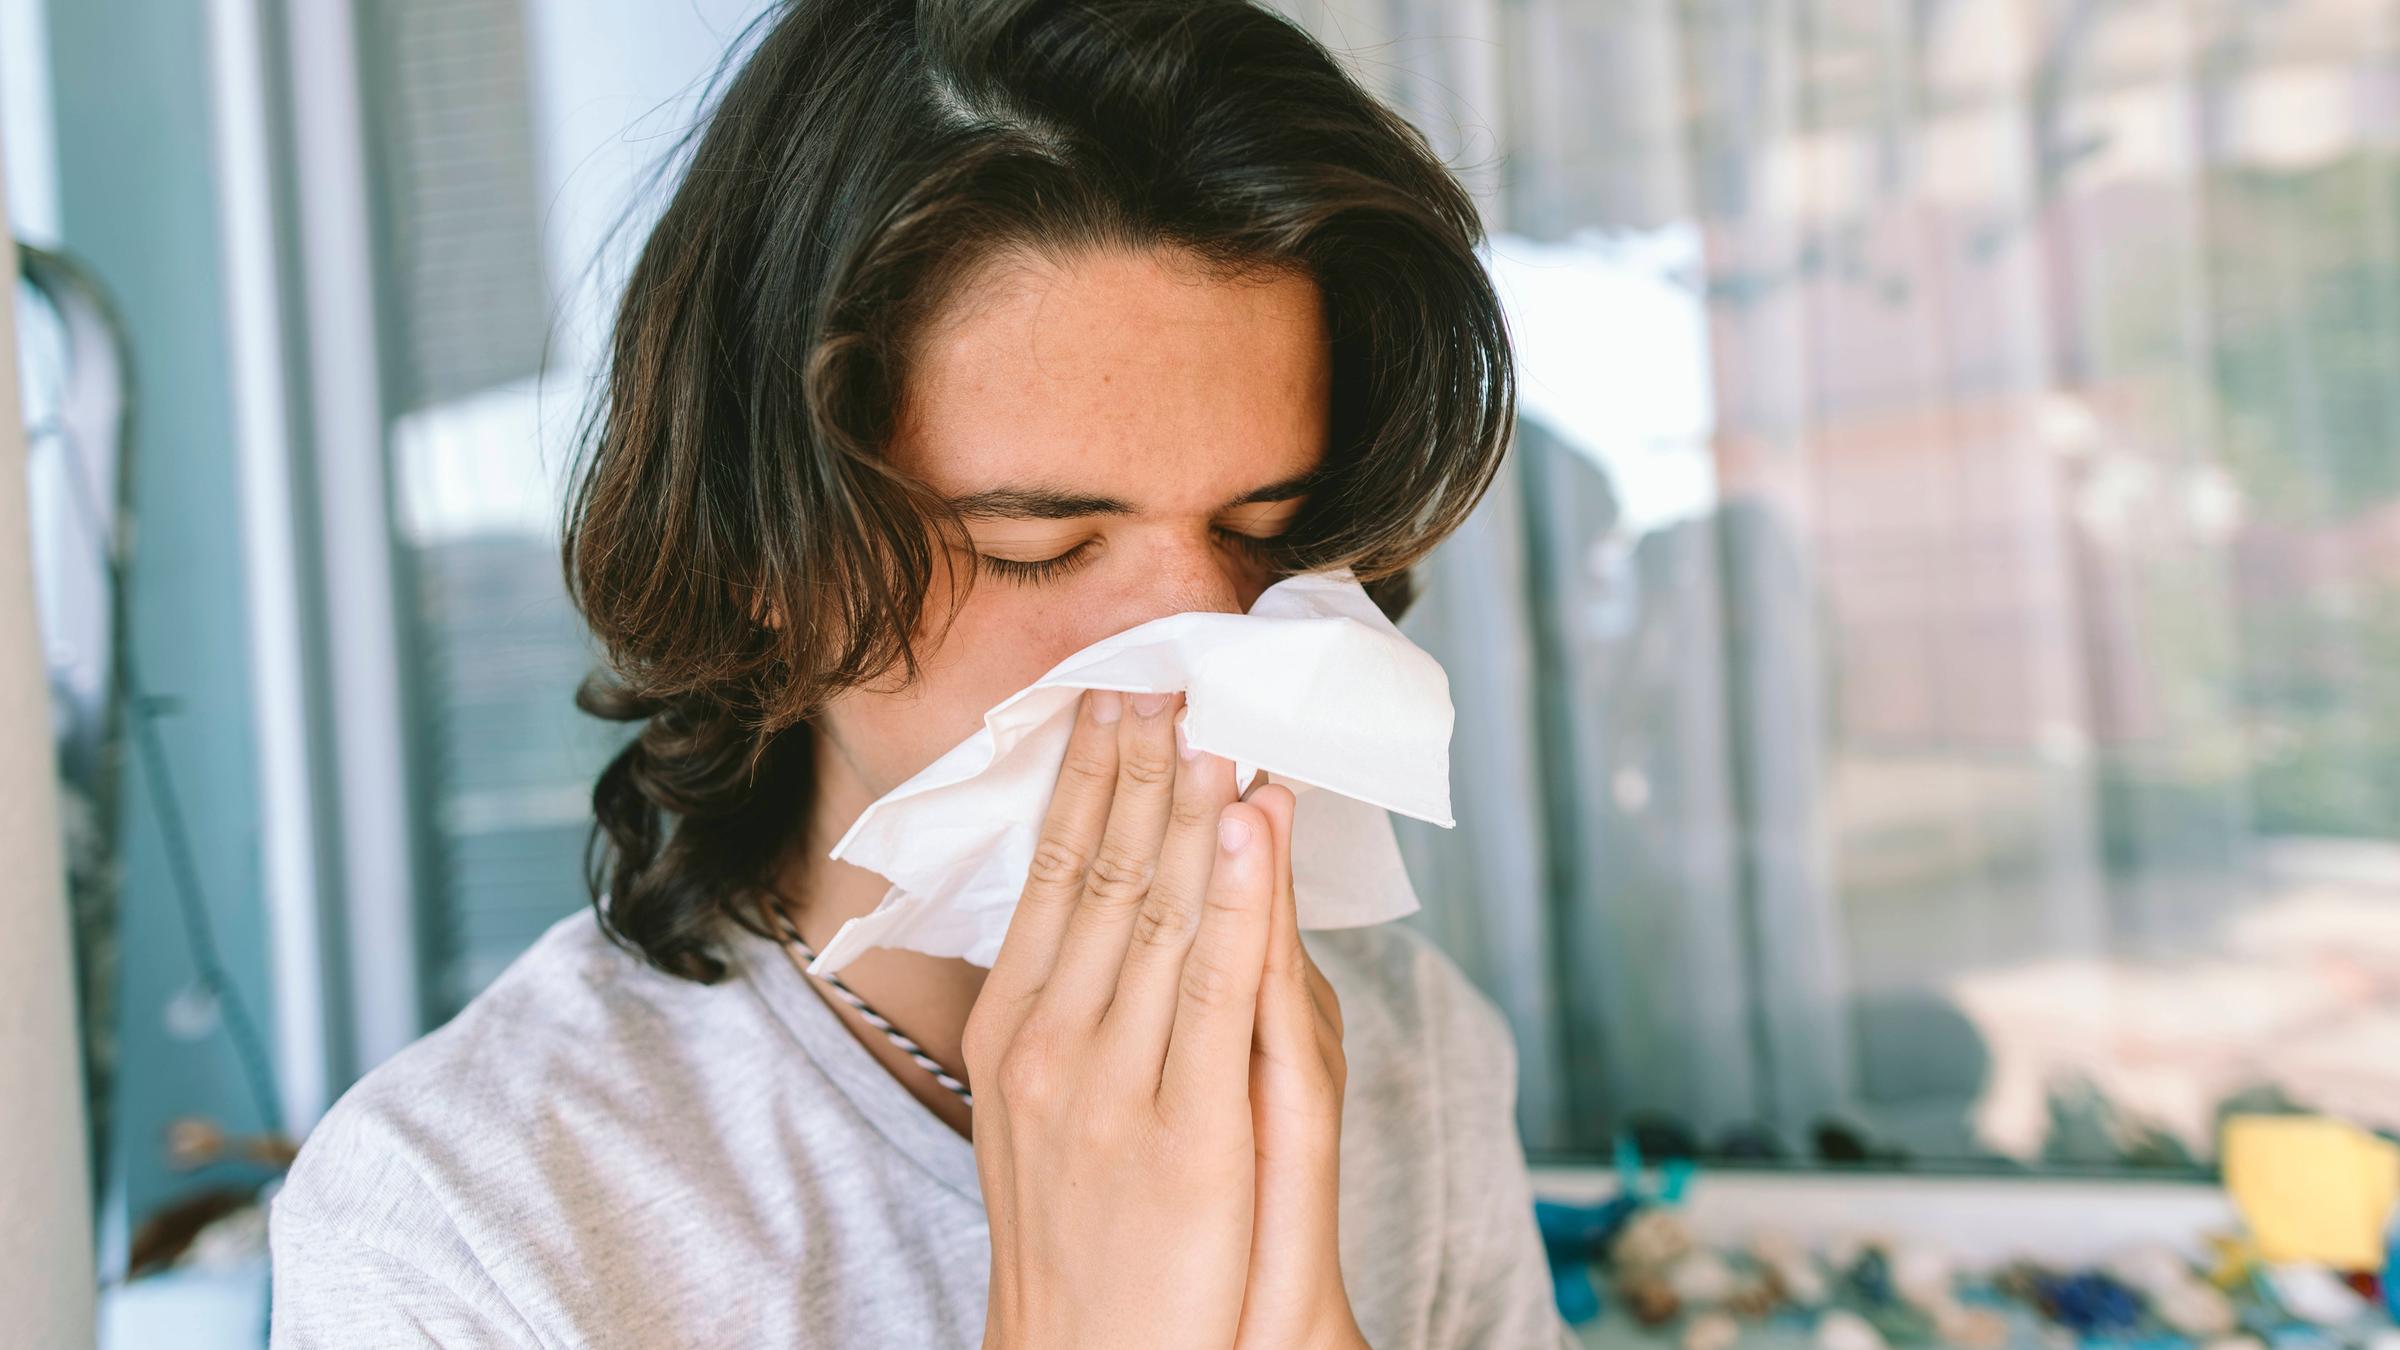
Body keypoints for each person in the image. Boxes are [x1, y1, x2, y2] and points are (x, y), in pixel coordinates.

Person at [267, 1, 1569, 1345]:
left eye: (1260, 529)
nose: (1195, 658)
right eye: (1036, 549)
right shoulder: (463, 1221)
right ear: (767, 556)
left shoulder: (1408, 1053)